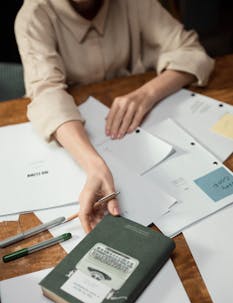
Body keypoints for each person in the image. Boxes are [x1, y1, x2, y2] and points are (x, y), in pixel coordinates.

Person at [15, 0, 214, 233]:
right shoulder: (35, 14)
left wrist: (147, 94)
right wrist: (95, 166)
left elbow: (192, 52)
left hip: (142, 120)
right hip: (78, 126)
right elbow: (46, 94)